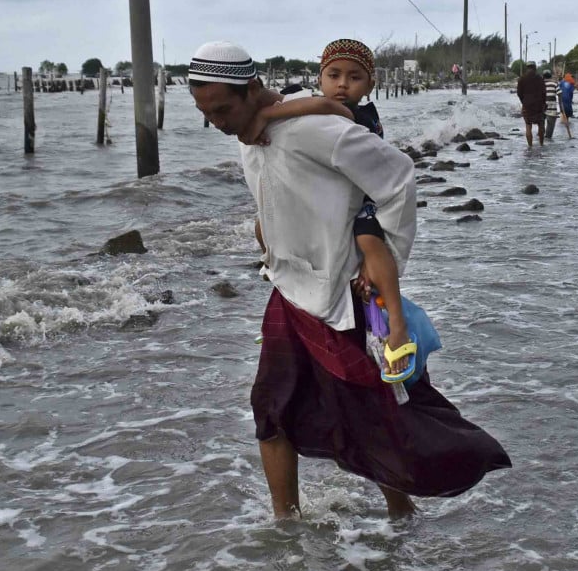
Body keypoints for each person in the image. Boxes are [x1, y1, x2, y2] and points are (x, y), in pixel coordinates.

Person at [189, 41, 511, 520]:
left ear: (252, 90)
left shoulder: (318, 132)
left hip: (339, 296)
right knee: (271, 411)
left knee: (373, 421)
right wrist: (268, 240)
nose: (215, 121)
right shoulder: (247, 133)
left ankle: (402, 514)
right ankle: (285, 525)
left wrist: (386, 265)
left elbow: (398, 177)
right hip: (287, 291)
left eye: (221, 108)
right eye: (204, 111)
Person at [240, 39, 413, 380]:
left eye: (354, 77)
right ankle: (283, 291)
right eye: (333, 75)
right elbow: (308, 104)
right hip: (332, 197)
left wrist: (266, 114)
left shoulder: (356, 115)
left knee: (368, 241)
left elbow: (327, 110)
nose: (342, 85)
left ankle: (396, 324)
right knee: (263, 227)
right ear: (320, 77)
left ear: (371, 85)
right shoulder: (314, 105)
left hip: (363, 200)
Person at [515, 62, 546, 147]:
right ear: (535, 68)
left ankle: (530, 146)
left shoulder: (522, 79)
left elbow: (519, 93)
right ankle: (541, 144)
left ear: (527, 68)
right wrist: (543, 103)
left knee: (528, 126)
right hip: (539, 105)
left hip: (527, 105)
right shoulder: (540, 78)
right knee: (541, 124)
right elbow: (544, 93)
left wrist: (524, 101)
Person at [558, 73, 577, 139]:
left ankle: (563, 122)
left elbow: (558, 91)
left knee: (563, 113)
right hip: (568, 100)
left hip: (562, 99)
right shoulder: (571, 83)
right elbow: (571, 93)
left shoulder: (561, 83)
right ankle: (566, 122)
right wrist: (571, 99)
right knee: (567, 114)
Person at [542, 70, 559, 140]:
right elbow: (560, 94)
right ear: (551, 76)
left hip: (541, 107)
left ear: (543, 77)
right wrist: (561, 107)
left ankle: (541, 141)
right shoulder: (555, 84)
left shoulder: (539, 84)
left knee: (541, 126)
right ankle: (548, 140)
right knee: (550, 129)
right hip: (552, 108)